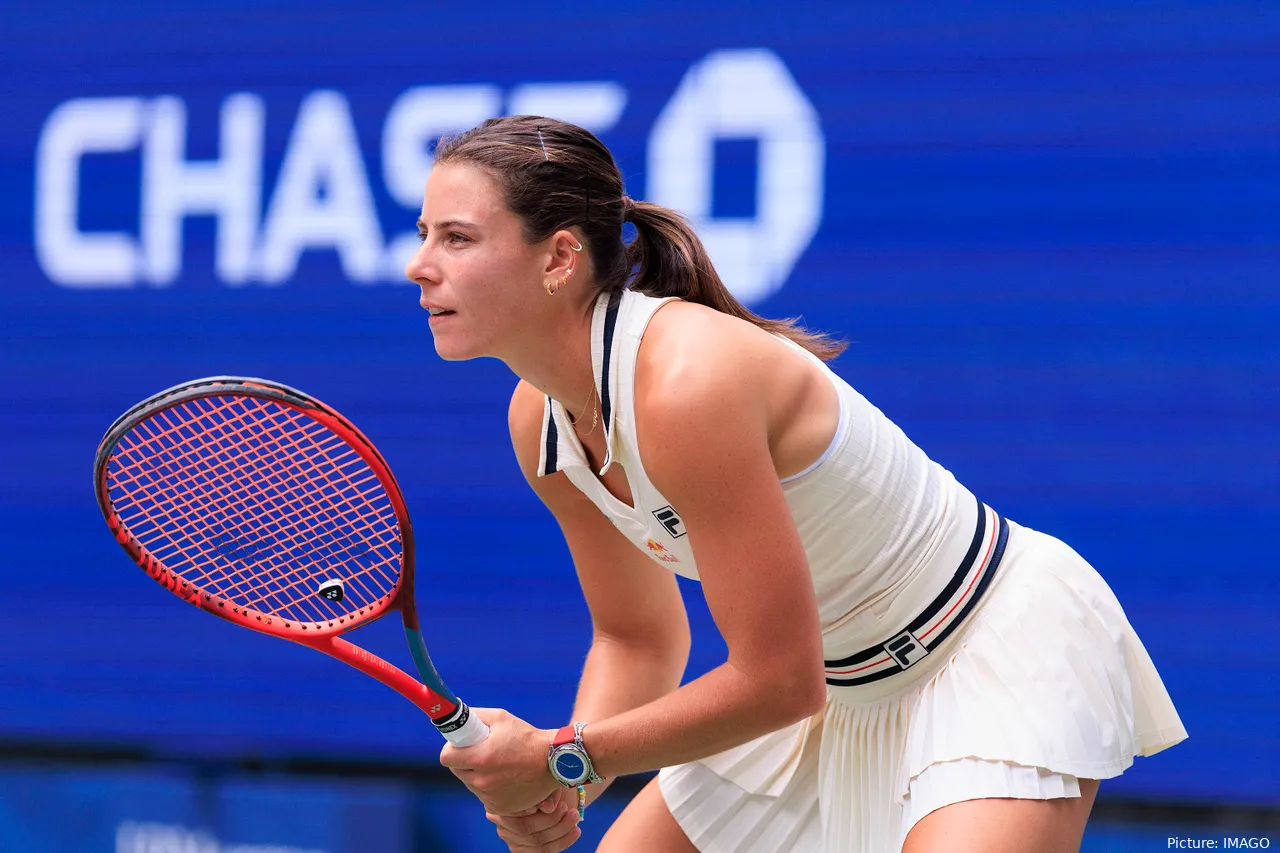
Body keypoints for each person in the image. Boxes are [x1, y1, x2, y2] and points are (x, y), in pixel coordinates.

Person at [405, 115, 1187, 853]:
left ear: (558, 258)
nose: (419, 265)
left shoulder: (686, 383)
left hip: (982, 647)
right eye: (423, 236)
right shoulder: (537, 422)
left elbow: (778, 680)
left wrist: (563, 755)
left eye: (457, 238)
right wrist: (568, 787)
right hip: (828, 690)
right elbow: (638, 636)